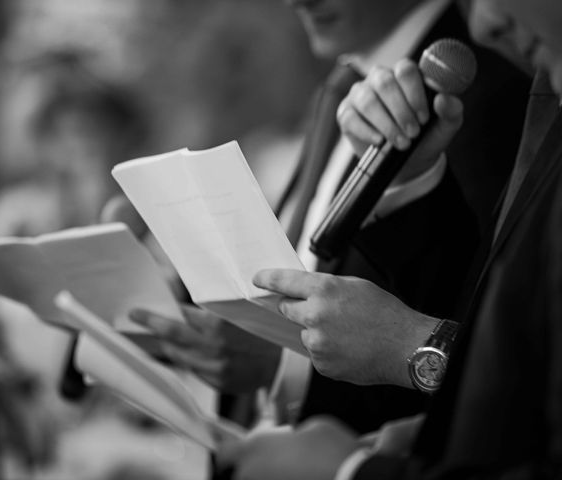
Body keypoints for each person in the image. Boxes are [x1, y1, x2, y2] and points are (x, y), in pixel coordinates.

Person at [130, 0, 531, 433]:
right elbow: (307, 258)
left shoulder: (486, 91)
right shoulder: (344, 85)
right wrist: (187, 290)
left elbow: (477, 325)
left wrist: (283, 366)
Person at [216, 0, 562, 477]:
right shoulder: (344, 88)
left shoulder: (499, 85)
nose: (483, 23)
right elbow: (499, 322)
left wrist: (355, 468)